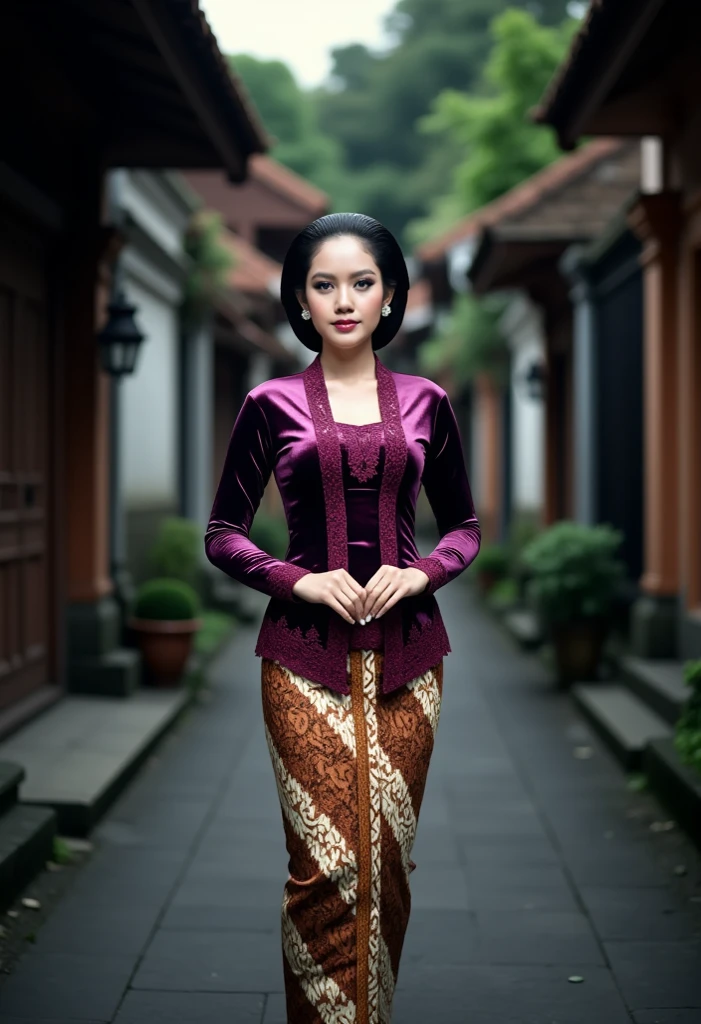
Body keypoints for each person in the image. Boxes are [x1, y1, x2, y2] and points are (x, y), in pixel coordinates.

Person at [205, 212, 481, 1024]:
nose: (344, 299)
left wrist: (420, 572)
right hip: (301, 660)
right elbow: (222, 535)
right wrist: (298, 582)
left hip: (408, 662)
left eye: (361, 282)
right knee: (323, 866)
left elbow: (464, 527)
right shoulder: (269, 402)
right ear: (300, 299)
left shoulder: (428, 402)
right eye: (323, 285)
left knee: (387, 860)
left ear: (391, 295)